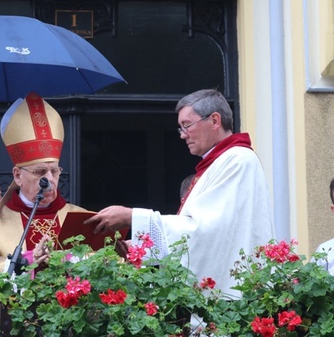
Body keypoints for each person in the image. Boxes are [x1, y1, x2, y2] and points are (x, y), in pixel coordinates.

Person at [86, 88, 275, 298]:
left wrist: (131, 217)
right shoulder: (218, 163)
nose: (183, 135)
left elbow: (205, 231)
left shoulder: (237, 161)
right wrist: (142, 247)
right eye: (181, 128)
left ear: (214, 120)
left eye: (187, 125)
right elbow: (198, 234)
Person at [0, 92, 88, 271]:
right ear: (17, 175)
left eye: (54, 171)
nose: (49, 179)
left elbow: (106, 263)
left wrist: (71, 259)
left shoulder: (82, 219)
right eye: (40, 171)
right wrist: (24, 261)